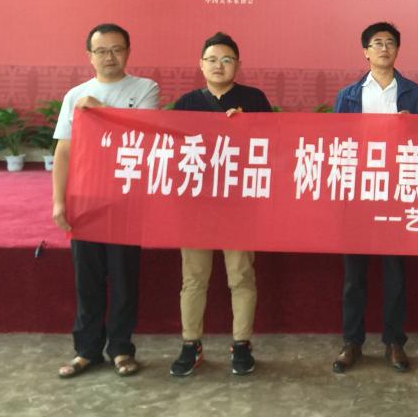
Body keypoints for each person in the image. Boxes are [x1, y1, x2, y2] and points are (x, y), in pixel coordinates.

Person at [52, 23, 160, 378]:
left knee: (124, 279)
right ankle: (86, 350)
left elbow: (141, 133)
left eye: (116, 49)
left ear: (128, 52)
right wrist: (59, 201)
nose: (109, 57)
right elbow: (64, 151)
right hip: (85, 199)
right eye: (101, 51)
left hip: (126, 200)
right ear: (89, 56)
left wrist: (98, 109)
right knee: (88, 280)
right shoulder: (75, 95)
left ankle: (121, 348)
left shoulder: (145, 89)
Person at [169, 32, 272, 377]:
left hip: (239, 204)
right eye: (212, 59)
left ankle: (241, 343)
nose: (218, 65)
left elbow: (275, 145)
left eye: (226, 60)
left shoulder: (254, 99)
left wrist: (249, 126)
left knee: (240, 276)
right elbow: (171, 153)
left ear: (238, 65)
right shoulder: (186, 103)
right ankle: (191, 343)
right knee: (193, 278)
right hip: (196, 205)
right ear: (200, 65)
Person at [331, 22, 418, 374]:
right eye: (377, 43)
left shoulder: (413, 93)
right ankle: (351, 342)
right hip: (358, 192)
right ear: (365, 51)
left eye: (390, 43)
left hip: (397, 192)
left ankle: (394, 341)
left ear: (397, 50)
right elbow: (335, 144)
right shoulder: (348, 95)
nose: (384, 48)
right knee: (353, 276)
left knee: (395, 273)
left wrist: (414, 126)